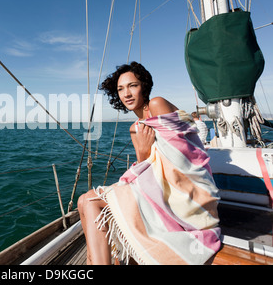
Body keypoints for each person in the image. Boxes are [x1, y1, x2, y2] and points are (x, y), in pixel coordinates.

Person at [77, 62, 221, 265]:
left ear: (143, 86)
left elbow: (184, 159)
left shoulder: (157, 105)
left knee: (92, 200)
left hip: (186, 192)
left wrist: (143, 154)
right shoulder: (136, 128)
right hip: (160, 190)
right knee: (83, 201)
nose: (126, 93)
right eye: (120, 89)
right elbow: (146, 170)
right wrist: (143, 152)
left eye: (132, 85)